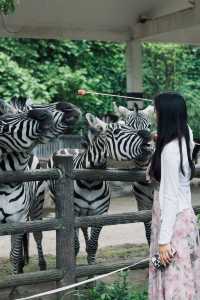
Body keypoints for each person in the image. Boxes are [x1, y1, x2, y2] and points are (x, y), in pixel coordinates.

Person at [148, 92, 200, 299]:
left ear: (166, 115)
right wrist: (159, 138)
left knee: (173, 280)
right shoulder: (184, 137)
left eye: (157, 110)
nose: (154, 114)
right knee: (182, 276)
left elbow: (169, 197)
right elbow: (184, 128)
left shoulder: (170, 151)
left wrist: (163, 241)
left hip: (173, 223)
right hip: (182, 220)